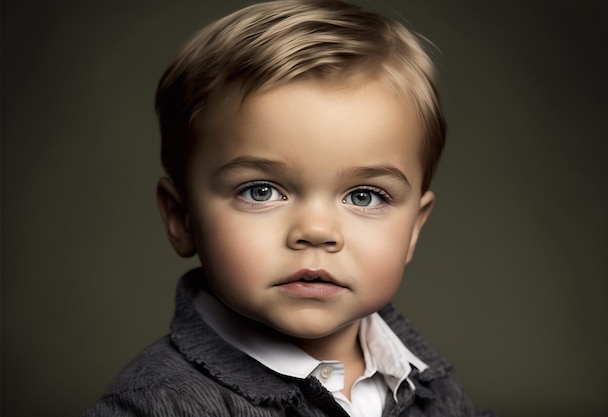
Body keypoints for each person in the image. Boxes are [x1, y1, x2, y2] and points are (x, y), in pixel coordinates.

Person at [83, 1, 496, 416]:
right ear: (180, 217)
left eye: (365, 196)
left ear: (414, 229)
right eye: (261, 191)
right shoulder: (157, 405)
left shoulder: (431, 387)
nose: (316, 231)